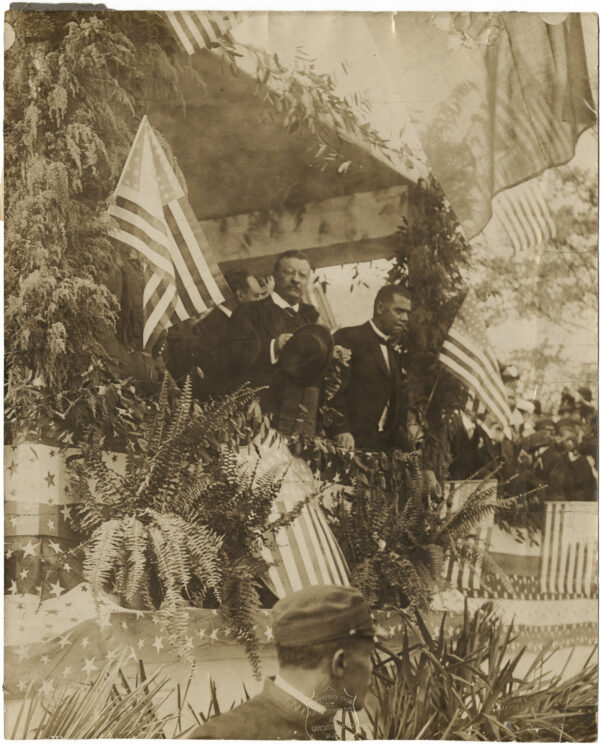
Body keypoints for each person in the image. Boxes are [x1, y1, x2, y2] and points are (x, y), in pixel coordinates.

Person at [188, 585, 376, 740]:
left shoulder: (320, 729)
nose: (372, 669)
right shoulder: (223, 737)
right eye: (368, 655)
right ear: (340, 663)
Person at [225, 250, 319, 410]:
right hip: (261, 411)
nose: (295, 279)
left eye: (302, 275)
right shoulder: (248, 312)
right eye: (288, 273)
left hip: (301, 412)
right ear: (274, 275)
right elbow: (232, 358)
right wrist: (273, 346)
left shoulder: (311, 318)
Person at [328, 285, 411, 452]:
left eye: (407, 313)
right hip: (346, 444)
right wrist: (341, 429)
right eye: (399, 311)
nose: (405, 318)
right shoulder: (348, 337)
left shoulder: (394, 355)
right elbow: (331, 389)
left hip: (380, 447)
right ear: (380, 308)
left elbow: (396, 407)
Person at [165, 269, 265, 396]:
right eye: (256, 295)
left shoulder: (236, 322)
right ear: (240, 295)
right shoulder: (210, 324)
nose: (260, 300)